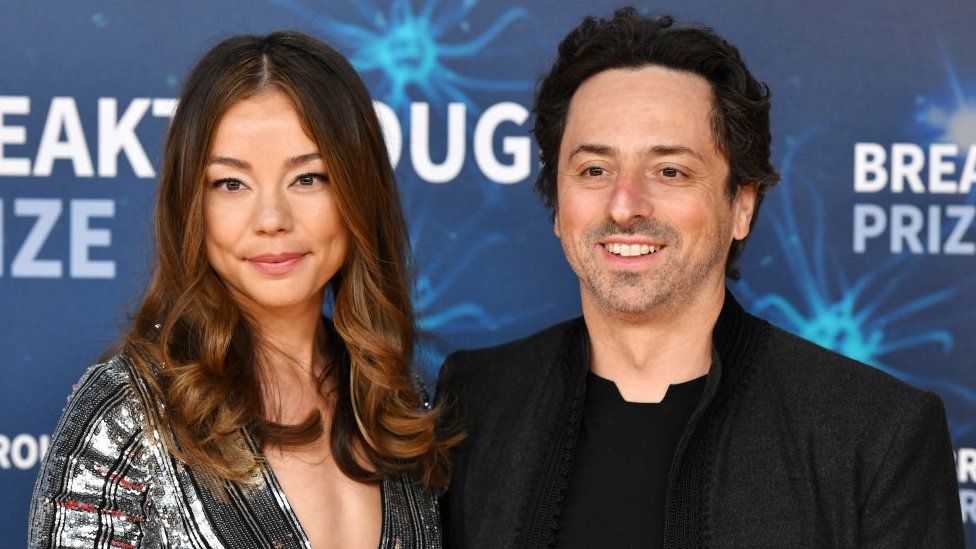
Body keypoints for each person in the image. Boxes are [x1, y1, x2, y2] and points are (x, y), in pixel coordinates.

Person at [436, 8, 963, 548]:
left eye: (670, 171)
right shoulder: (475, 401)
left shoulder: (875, 433)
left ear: (741, 206)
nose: (624, 206)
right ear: (556, 203)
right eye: (594, 170)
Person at [29, 31, 456, 549]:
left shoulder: (399, 403)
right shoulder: (126, 414)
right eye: (231, 184)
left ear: (358, 191)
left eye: (309, 178)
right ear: (191, 204)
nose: (271, 220)